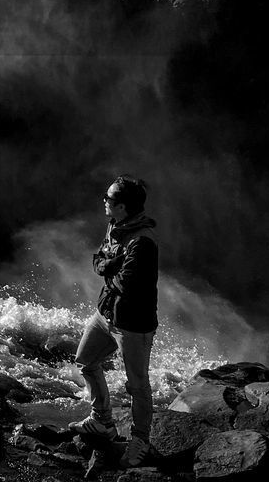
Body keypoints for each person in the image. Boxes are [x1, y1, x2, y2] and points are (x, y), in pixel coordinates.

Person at [69, 175, 159, 468]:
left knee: (137, 385)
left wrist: (107, 267)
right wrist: (108, 266)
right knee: (85, 360)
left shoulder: (142, 242)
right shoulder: (116, 226)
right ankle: (103, 421)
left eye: (108, 199)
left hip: (133, 325)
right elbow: (100, 260)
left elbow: (125, 283)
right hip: (106, 314)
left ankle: (140, 440)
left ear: (121, 207)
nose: (103, 202)